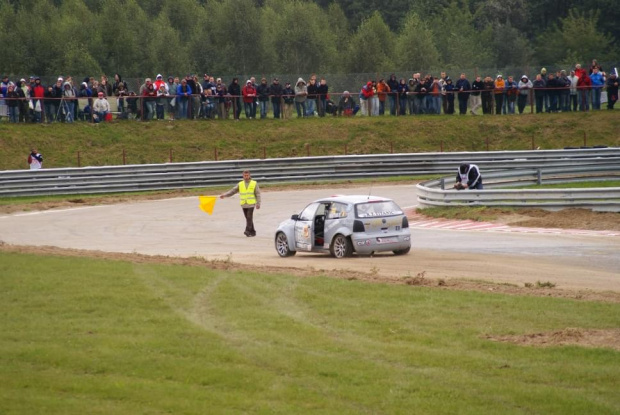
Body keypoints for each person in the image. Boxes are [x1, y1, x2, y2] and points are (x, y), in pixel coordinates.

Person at [219, 170, 261, 237]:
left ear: (249, 175)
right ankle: (253, 232)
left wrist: (258, 203)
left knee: (249, 217)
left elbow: (258, 194)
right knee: (248, 218)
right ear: (243, 176)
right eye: (245, 175)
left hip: (251, 204)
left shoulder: (254, 183)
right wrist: (224, 195)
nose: (246, 177)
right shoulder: (240, 184)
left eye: (247, 175)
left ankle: (247, 230)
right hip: (244, 204)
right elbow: (233, 191)